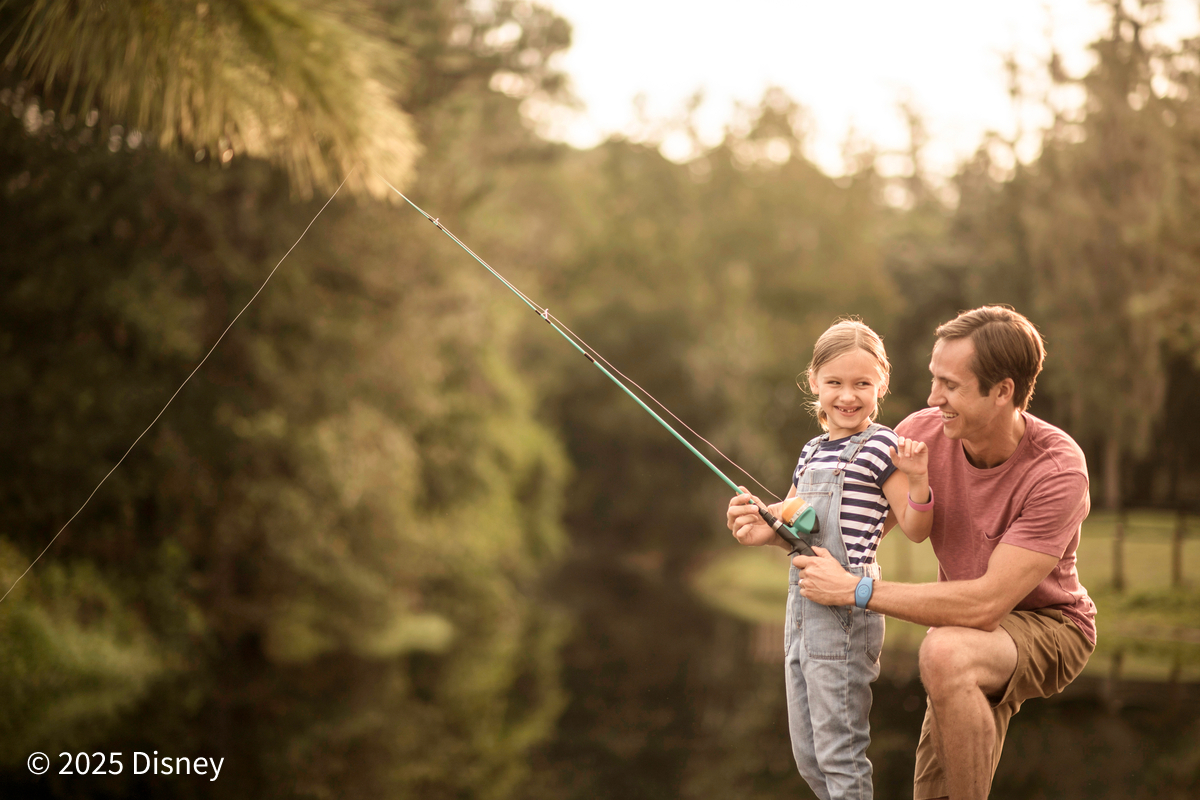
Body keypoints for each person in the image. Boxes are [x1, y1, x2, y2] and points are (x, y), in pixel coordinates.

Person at [770, 306, 1096, 800]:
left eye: (950, 385)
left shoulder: (1057, 470)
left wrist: (858, 590)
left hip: (1048, 623)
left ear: (1003, 390)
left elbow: (987, 604)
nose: (931, 397)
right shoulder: (921, 435)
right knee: (933, 789)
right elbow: (858, 529)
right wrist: (774, 527)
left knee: (944, 651)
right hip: (962, 626)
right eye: (932, 379)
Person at [727, 318, 934, 800]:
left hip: (846, 612)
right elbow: (798, 529)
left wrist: (920, 479)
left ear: (881, 384)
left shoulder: (882, 447)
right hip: (801, 607)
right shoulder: (810, 451)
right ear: (814, 383)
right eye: (835, 383)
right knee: (809, 757)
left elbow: (918, 529)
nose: (848, 395)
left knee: (841, 757)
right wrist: (762, 526)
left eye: (862, 383)